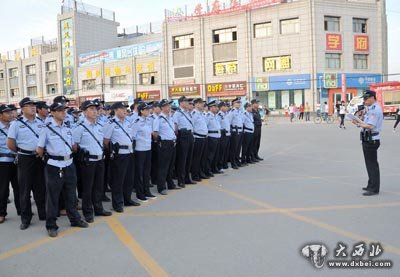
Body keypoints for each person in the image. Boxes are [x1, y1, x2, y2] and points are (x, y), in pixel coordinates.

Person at [36, 102, 89, 237]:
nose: (63, 113)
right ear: (52, 113)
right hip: (54, 166)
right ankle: (51, 225)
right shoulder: (46, 128)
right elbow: (39, 149)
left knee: (71, 194)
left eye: (64, 110)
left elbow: (73, 146)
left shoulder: (67, 127)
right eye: (59, 111)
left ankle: (74, 219)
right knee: (53, 197)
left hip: (69, 164)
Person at [7, 97, 46, 230]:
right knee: (24, 189)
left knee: (40, 186)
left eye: (34, 105)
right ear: (22, 108)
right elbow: (10, 143)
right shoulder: (16, 124)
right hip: (25, 159)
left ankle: (43, 213)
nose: (33, 107)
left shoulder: (41, 122)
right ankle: (26, 218)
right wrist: (21, 151)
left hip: (39, 158)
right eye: (29, 105)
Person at [72, 100, 112, 223]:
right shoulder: (79, 128)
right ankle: (88, 212)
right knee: (87, 188)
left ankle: (98, 208)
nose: (95, 111)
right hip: (87, 162)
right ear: (84, 112)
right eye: (91, 109)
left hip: (100, 160)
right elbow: (74, 146)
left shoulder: (100, 126)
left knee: (98, 186)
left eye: (96, 109)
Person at [103, 102, 140, 213]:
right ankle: (117, 203)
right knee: (118, 180)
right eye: (122, 109)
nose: (125, 111)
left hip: (129, 152)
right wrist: (113, 152)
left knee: (129, 179)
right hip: (119, 155)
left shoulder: (127, 122)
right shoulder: (111, 123)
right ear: (116, 110)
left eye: (125, 109)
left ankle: (127, 199)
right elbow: (106, 140)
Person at [351, 90, 383, 196]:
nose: (364, 101)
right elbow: (366, 123)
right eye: (364, 99)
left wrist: (359, 124)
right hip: (368, 139)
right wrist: (357, 120)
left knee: (372, 165)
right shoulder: (370, 109)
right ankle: (371, 185)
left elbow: (370, 126)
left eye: (366, 98)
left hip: (372, 140)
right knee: (369, 164)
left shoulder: (375, 110)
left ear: (372, 98)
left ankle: (374, 188)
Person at [153, 99, 180, 195]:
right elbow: (155, 133)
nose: (169, 107)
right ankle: (161, 187)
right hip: (164, 144)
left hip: (172, 143)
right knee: (163, 167)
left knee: (171, 165)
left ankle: (170, 184)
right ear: (162, 107)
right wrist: (161, 142)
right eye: (167, 106)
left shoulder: (170, 117)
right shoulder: (158, 119)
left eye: (169, 105)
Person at [131, 102, 157, 202]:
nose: (148, 111)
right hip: (139, 150)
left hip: (148, 148)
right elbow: (132, 136)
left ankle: (147, 191)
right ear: (141, 111)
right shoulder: (137, 122)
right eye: (146, 109)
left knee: (146, 172)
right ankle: (140, 194)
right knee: (139, 173)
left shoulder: (148, 121)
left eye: (148, 109)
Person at [0, 104, 20, 224]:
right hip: (3, 163)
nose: (10, 114)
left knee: (19, 187)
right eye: (7, 113)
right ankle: (1, 213)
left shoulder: (14, 126)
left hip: (16, 161)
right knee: (3, 189)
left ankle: (22, 210)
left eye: (10, 112)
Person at [173, 96, 195, 187]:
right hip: (183, 136)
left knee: (189, 158)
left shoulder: (188, 113)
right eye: (186, 102)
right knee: (182, 159)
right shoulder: (177, 113)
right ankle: (181, 180)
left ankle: (187, 178)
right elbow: (175, 126)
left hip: (190, 135)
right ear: (181, 103)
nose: (188, 104)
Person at [190, 98, 208, 181]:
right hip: (197, 138)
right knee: (196, 158)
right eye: (201, 103)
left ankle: (201, 173)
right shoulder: (194, 114)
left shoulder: (202, 114)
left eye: (202, 103)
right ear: (196, 104)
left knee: (202, 158)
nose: (202, 105)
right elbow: (191, 126)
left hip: (204, 138)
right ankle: (195, 175)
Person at [206, 100, 222, 175]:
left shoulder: (215, 116)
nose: (217, 108)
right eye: (215, 107)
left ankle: (214, 168)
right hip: (211, 137)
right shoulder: (208, 116)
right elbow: (205, 126)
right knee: (210, 155)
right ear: (211, 108)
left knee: (216, 154)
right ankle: (208, 170)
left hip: (217, 136)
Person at [229, 97, 243, 169]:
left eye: (239, 102)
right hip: (235, 131)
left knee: (238, 148)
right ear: (233, 104)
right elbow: (229, 122)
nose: (239, 104)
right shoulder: (232, 112)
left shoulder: (239, 111)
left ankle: (237, 161)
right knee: (234, 148)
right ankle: (233, 162)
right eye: (237, 102)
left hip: (240, 131)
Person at [217, 102, 231, 170]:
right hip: (223, 134)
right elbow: (218, 125)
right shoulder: (219, 115)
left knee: (226, 150)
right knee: (222, 151)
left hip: (227, 134)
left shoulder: (226, 114)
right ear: (221, 107)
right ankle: (220, 165)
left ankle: (225, 164)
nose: (226, 107)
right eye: (224, 106)